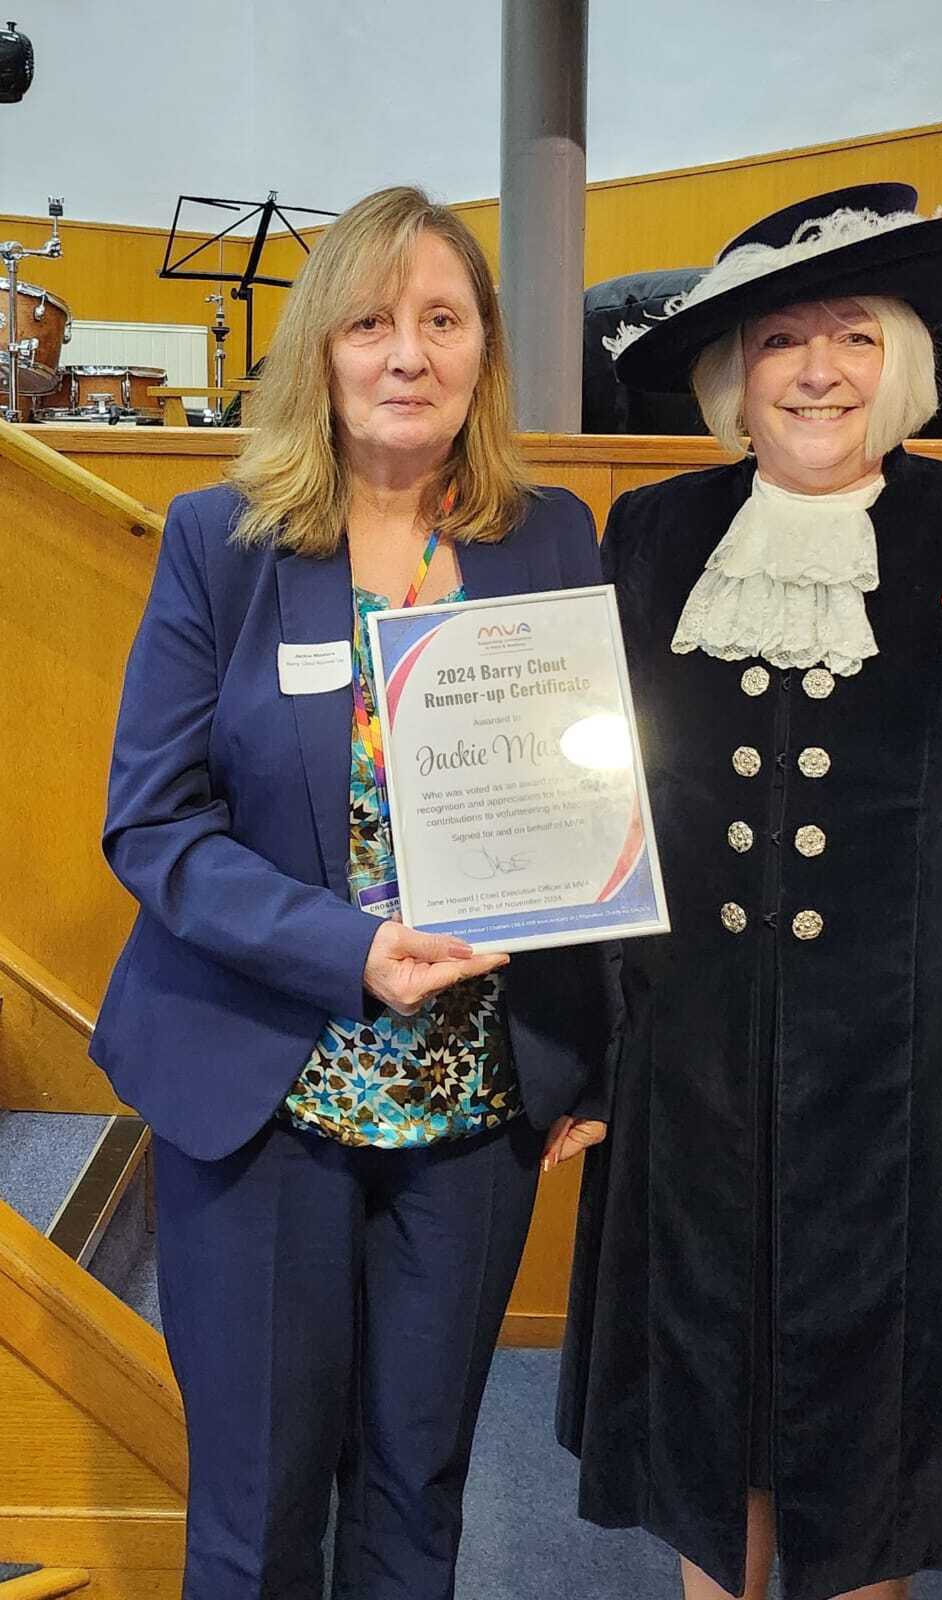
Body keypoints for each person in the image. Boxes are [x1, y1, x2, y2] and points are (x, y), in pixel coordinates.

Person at [557, 184, 942, 1600]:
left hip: (911, 1071)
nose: (816, 370)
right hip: (694, 1054)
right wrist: (574, 1026)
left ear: (900, 360)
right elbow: (598, 796)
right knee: (711, 1410)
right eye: (780, 341)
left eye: (849, 335)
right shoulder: (651, 532)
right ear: (734, 377)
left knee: (866, 1420)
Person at [90, 185, 609, 1600]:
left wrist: (597, 1045)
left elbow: (596, 801)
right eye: (373, 322)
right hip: (271, 1086)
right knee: (257, 1511)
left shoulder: (549, 534)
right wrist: (350, 948)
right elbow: (154, 824)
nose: (406, 354)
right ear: (321, 348)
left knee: (417, 1484)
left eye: (442, 321)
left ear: (482, 351)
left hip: (474, 1098)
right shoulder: (224, 540)